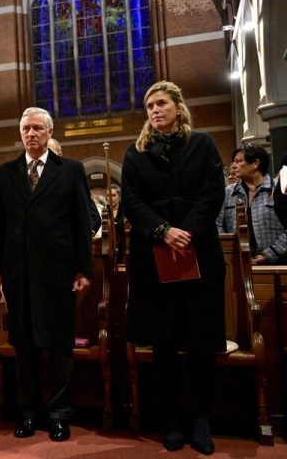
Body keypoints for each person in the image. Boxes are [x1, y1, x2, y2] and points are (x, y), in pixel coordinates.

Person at [121, 81, 225, 455]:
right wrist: (163, 231)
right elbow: (131, 200)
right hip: (154, 256)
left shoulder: (203, 144)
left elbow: (213, 192)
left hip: (197, 254)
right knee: (163, 343)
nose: (155, 110)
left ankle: (200, 418)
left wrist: (188, 231)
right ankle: (170, 420)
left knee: (199, 342)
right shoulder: (136, 153)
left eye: (161, 103)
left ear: (178, 107)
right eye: (149, 105)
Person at [0, 108, 92, 442]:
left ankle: (59, 415)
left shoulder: (71, 171)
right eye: (25, 129)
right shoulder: (4, 174)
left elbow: (81, 223)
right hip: (18, 274)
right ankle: (30, 412)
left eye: (37, 128)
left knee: (60, 347)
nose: (31, 134)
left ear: (49, 132)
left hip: (58, 272)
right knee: (25, 347)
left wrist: (83, 270)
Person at [216, 143, 286, 264]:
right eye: (234, 161)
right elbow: (218, 225)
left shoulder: (279, 189)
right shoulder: (228, 192)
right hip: (238, 264)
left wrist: (268, 255)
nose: (233, 166)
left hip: (276, 264)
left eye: (238, 161)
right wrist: (228, 252)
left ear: (255, 163)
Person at [47, 137, 102, 236]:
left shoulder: (72, 177)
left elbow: (95, 217)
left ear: (60, 155)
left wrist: (87, 234)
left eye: (50, 152)